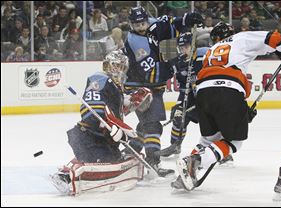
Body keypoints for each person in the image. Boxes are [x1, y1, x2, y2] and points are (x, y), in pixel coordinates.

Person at [173, 22, 281, 191]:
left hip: (203, 93)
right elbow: (274, 37)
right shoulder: (241, 38)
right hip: (227, 90)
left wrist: (242, 110)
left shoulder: (211, 51)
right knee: (235, 142)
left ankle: (185, 175)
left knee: (208, 140)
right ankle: (195, 161)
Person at [50, 50, 147, 195]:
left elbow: (114, 112)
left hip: (101, 139)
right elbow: (93, 111)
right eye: (115, 66)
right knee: (102, 161)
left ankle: (76, 168)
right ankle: (67, 177)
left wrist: (130, 103)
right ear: (107, 66)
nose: (118, 71)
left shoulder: (116, 88)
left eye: (121, 67)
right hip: (88, 137)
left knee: (130, 146)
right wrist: (106, 125)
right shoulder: (99, 78)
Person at [123, 6, 204, 177]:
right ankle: (153, 163)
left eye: (143, 23)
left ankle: (130, 151)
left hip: (152, 87)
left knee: (146, 125)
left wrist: (186, 20)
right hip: (140, 86)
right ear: (131, 25)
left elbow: (169, 25)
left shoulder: (151, 25)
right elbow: (151, 74)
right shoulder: (135, 42)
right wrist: (175, 65)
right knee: (152, 124)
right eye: (137, 25)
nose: (141, 27)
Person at [158, 32, 209, 157]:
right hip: (189, 95)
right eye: (181, 48)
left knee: (212, 121)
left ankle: (219, 150)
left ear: (193, 46)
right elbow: (164, 73)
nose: (183, 50)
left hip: (207, 95)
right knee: (178, 116)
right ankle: (175, 146)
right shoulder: (178, 61)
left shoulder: (205, 55)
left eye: (186, 47)